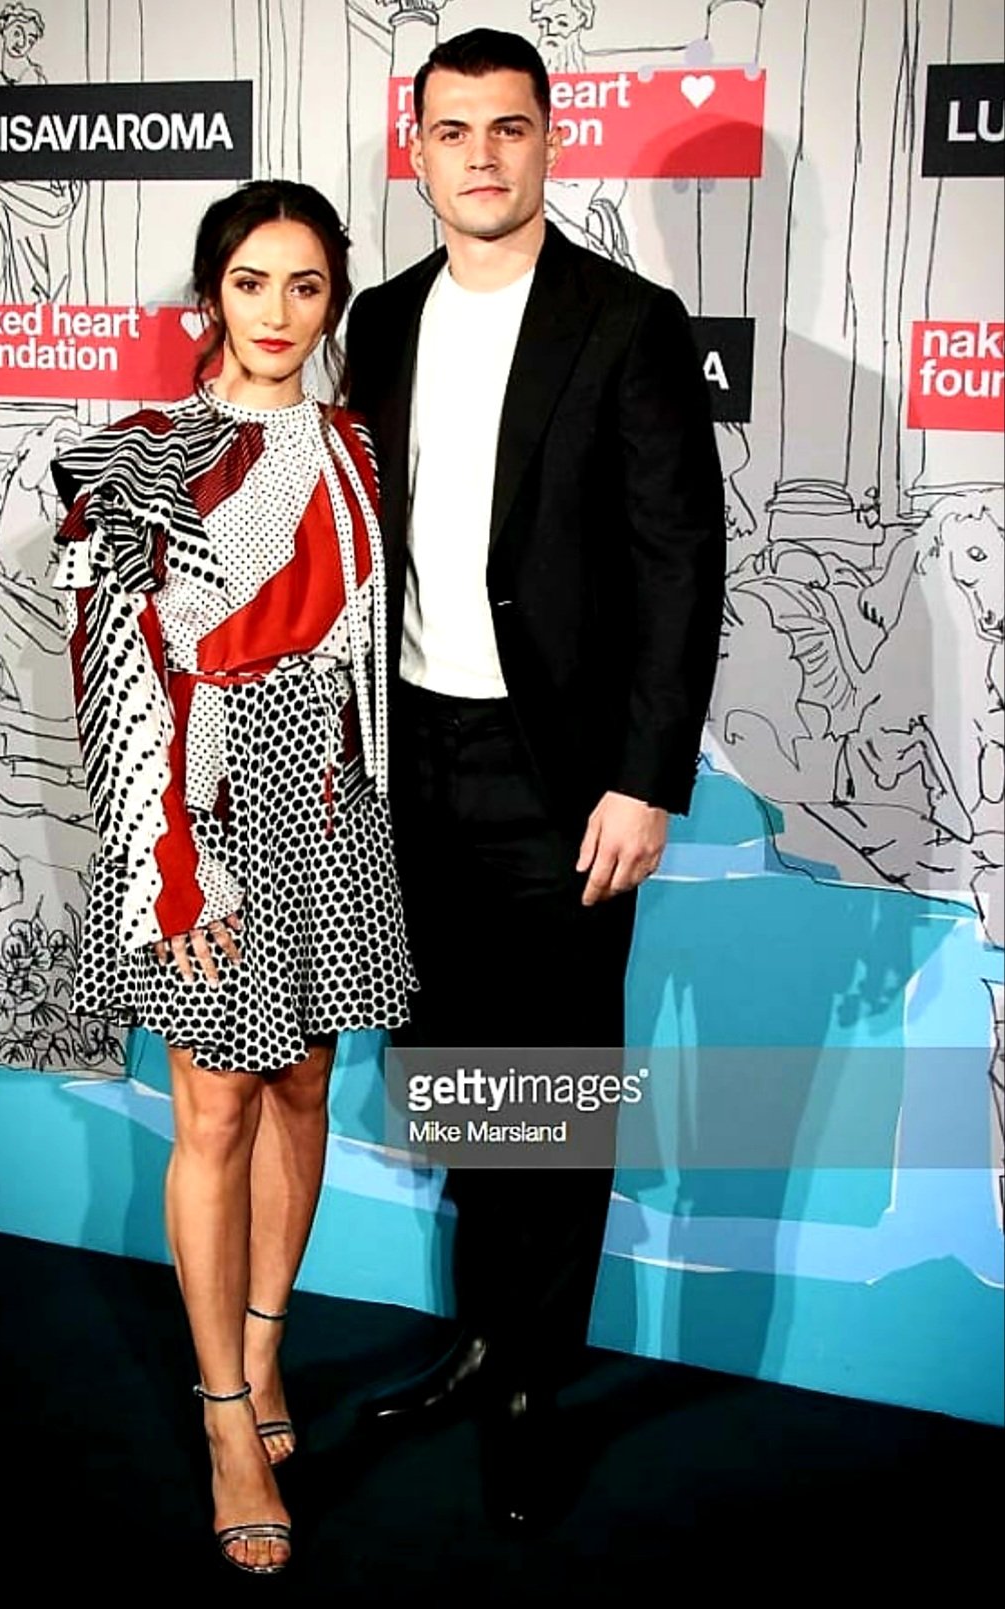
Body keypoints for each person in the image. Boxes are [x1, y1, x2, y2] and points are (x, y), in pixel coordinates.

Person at [345, 28, 726, 1530]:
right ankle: (484, 1336)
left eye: (509, 126)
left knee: (552, 1089)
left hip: (560, 775)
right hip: (408, 762)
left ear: (553, 138)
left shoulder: (627, 321)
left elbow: (680, 563)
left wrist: (645, 781)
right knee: (452, 1070)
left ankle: (529, 1384)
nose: (483, 155)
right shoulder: (380, 319)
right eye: (454, 131)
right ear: (419, 152)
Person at [51, 180, 415, 1575]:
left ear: (332, 302)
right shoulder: (138, 456)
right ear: (211, 296)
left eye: (305, 285)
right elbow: (114, 674)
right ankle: (222, 1421)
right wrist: (170, 864)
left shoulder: (355, 447)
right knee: (214, 1108)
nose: (276, 312)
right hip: (196, 804)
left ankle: (265, 1353)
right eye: (251, 283)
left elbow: (369, 640)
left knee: (304, 1085)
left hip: (327, 789)